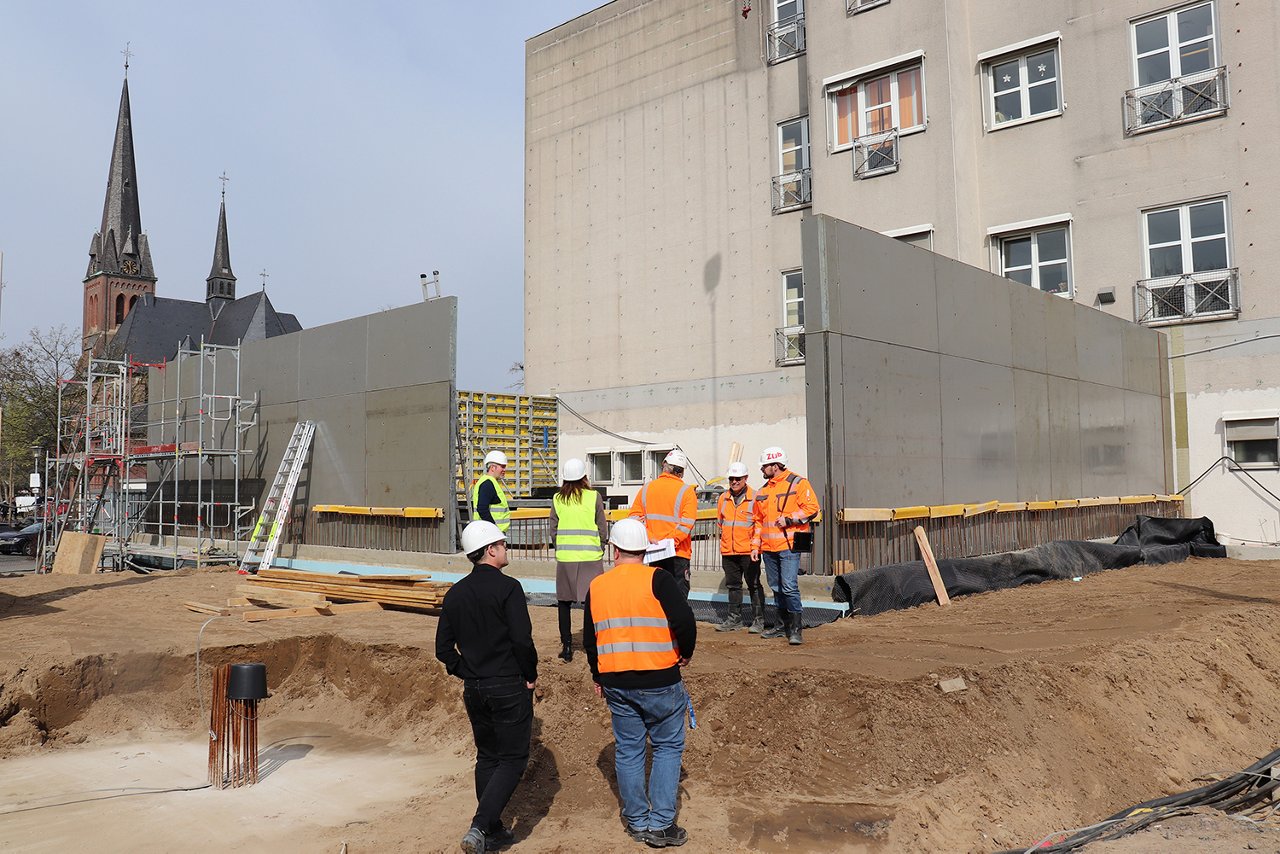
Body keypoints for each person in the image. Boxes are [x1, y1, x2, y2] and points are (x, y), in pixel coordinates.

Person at [584, 518, 696, 848]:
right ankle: (660, 825)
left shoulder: (597, 586)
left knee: (629, 750)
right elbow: (684, 620)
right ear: (645, 551)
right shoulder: (658, 579)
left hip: (617, 682)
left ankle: (637, 821)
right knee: (667, 747)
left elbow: (591, 640)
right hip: (661, 678)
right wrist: (685, 653)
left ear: (615, 550)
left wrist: (597, 676)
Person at [435, 520, 538, 853]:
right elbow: (522, 640)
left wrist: (465, 670)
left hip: (475, 687)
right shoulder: (509, 588)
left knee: (488, 757)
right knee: (513, 759)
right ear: (491, 550)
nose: (506, 549)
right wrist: (530, 673)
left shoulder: (455, 593)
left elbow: (442, 648)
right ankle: (480, 826)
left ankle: (492, 829)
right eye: (503, 544)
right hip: (508, 683)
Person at [750, 446, 820, 646]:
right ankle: (781, 626)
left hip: (788, 546)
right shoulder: (763, 491)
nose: (762, 469)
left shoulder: (798, 483)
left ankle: (796, 629)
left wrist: (789, 519)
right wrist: (755, 546)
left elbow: (812, 508)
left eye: (764, 466)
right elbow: (758, 522)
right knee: (776, 587)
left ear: (775, 465)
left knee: (789, 586)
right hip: (768, 549)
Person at [549, 457, 608, 662]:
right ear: (584, 476)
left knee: (564, 603)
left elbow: (553, 529)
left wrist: (561, 547)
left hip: (566, 558)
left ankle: (567, 647)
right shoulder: (593, 497)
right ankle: (591, 644)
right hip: (591, 557)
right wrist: (601, 546)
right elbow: (602, 526)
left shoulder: (558, 498)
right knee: (592, 602)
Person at [628, 449, 698, 597]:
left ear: (664, 464)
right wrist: (669, 542)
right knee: (678, 599)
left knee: (657, 596)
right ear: (682, 472)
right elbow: (686, 524)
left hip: (654, 551)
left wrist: (651, 537)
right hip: (678, 552)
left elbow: (634, 518)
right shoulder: (687, 492)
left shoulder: (647, 488)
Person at [714, 461, 765, 633]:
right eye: (731, 479)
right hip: (729, 551)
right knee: (733, 586)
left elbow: (759, 525)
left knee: (754, 585)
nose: (734, 482)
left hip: (749, 551)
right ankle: (734, 619)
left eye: (738, 478)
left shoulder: (755, 497)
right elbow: (721, 523)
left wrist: (755, 546)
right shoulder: (723, 498)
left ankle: (758, 620)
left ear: (745, 478)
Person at [471, 450, 511, 534]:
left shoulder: (489, 482)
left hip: (489, 532)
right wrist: (494, 529)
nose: (504, 470)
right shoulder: (487, 484)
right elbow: (482, 509)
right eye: (502, 466)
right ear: (492, 467)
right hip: (490, 533)